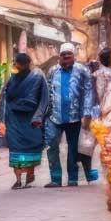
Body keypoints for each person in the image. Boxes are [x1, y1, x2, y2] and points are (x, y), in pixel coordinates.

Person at [44, 42, 94, 188]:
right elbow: (47, 91)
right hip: (54, 116)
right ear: (59, 56)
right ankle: (55, 178)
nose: (66, 56)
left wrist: (87, 112)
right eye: (63, 54)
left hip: (75, 116)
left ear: (74, 56)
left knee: (73, 148)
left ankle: (73, 178)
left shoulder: (82, 70)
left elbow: (89, 91)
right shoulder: (53, 71)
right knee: (51, 143)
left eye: (68, 54)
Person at [0, 51, 48, 189]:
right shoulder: (37, 77)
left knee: (16, 149)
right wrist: (40, 116)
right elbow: (45, 99)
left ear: (17, 65)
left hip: (14, 120)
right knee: (31, 147)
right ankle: (29, 177)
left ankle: (18, 180)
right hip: (31, 120)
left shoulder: (12, 80)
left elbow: (4, 99)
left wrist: (1, 117)